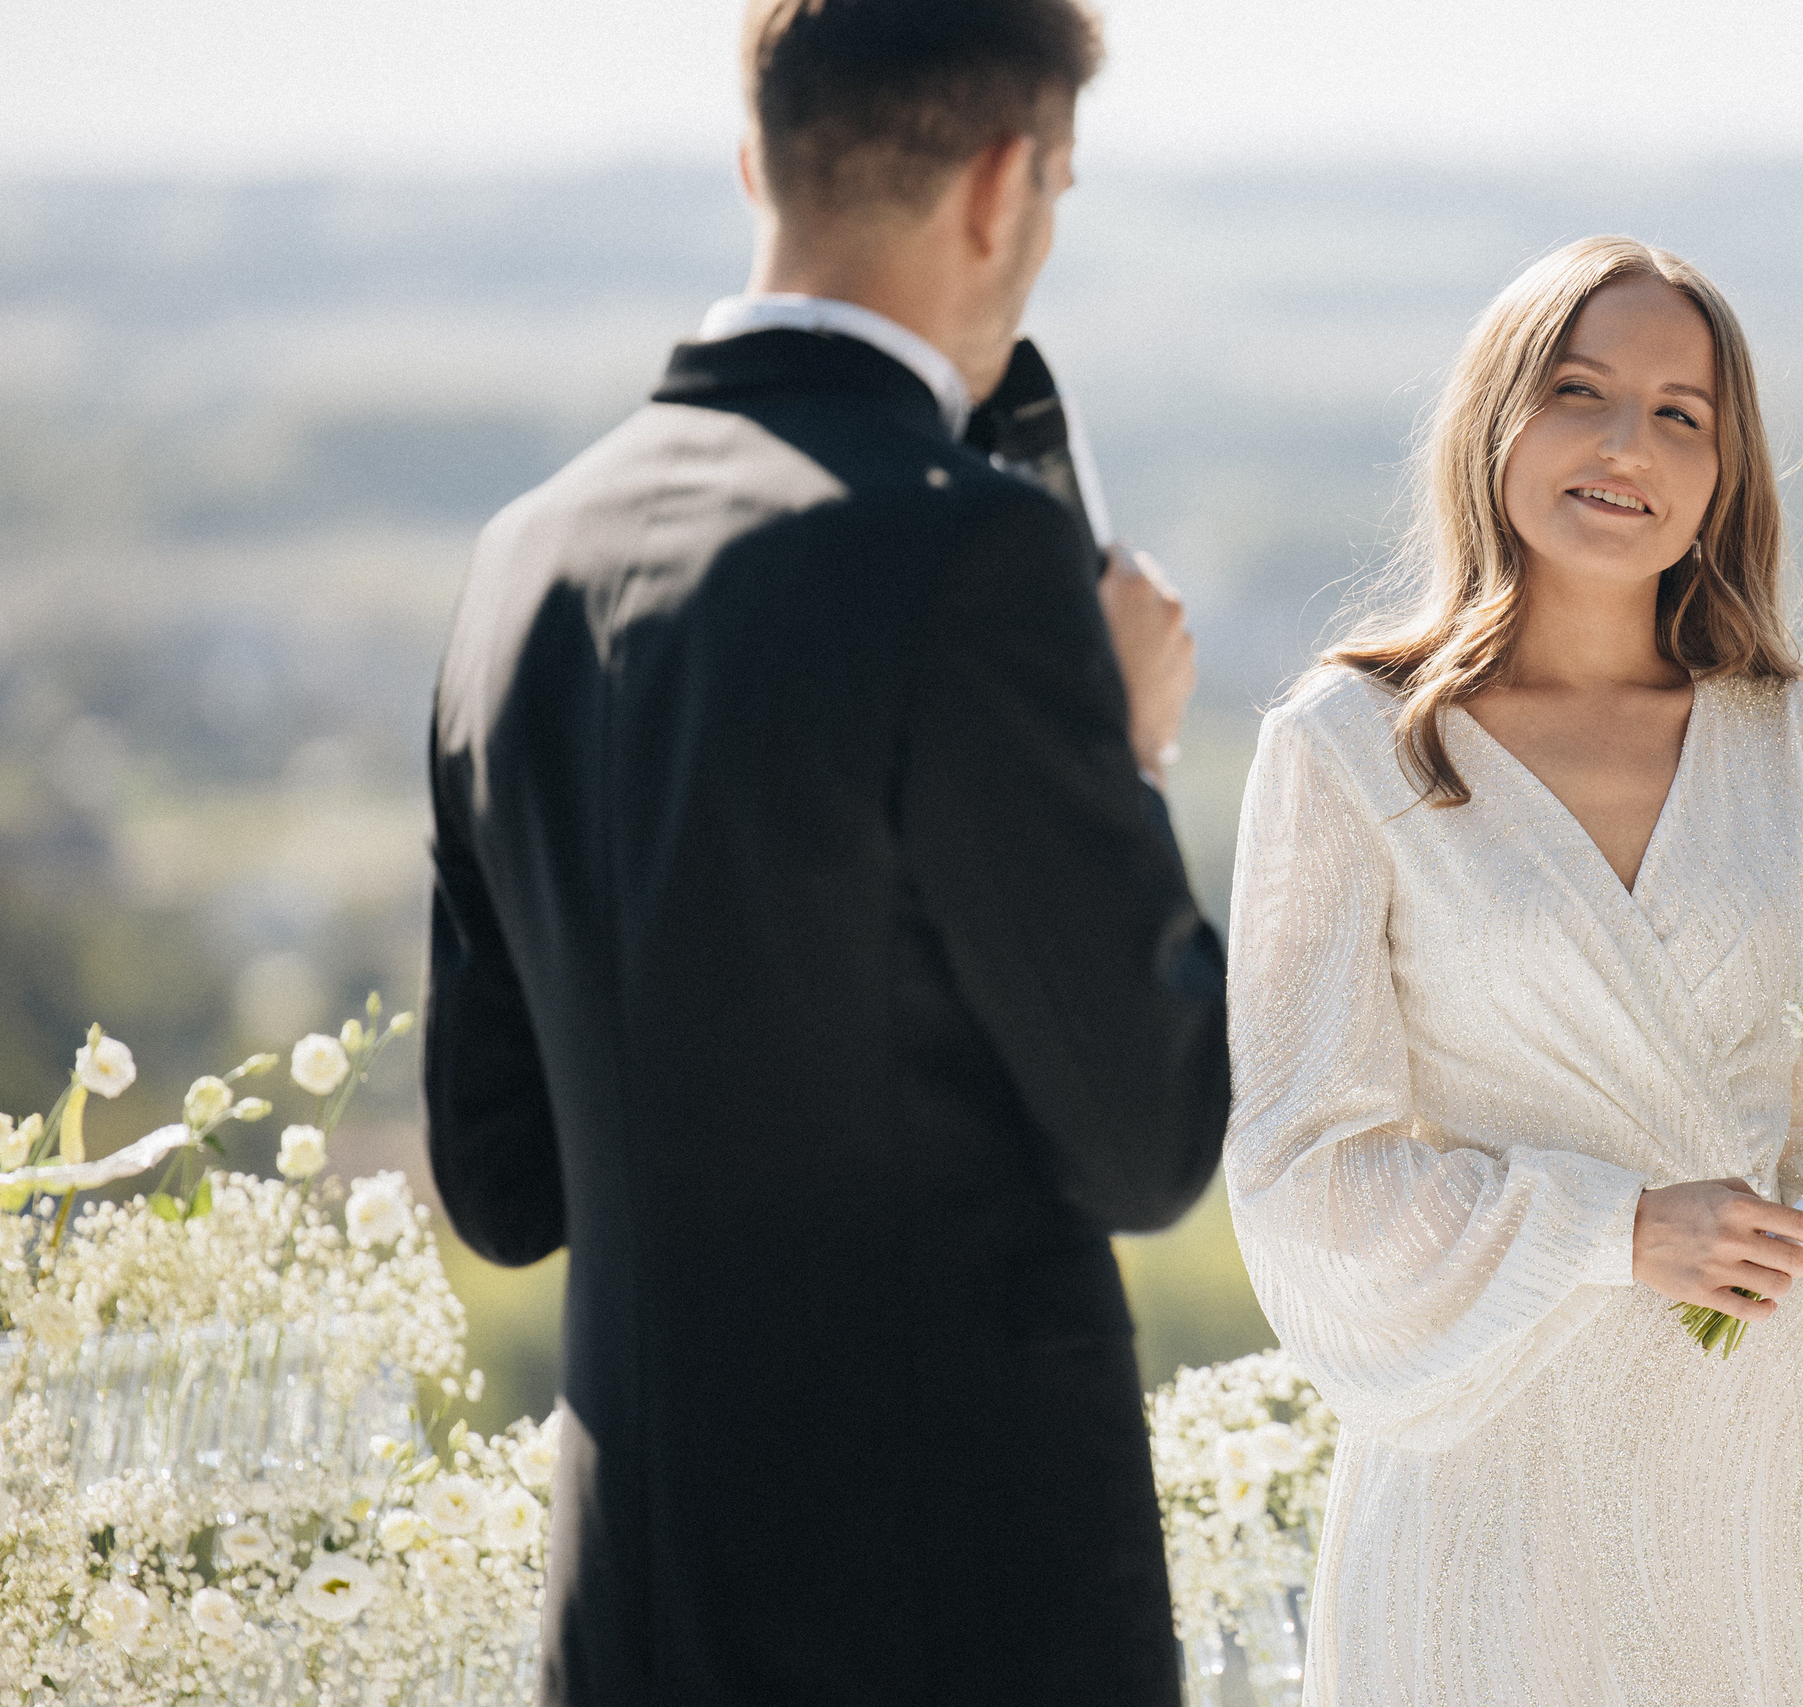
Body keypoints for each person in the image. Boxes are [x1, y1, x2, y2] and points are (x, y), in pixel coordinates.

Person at [422, 3, 1229, 1702]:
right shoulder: (972, 558)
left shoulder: (520, 561)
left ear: (755, 162)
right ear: (1006, 186)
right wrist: (1133, 750)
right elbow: (1151, 1135)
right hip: (956, 1627)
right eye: (1061, 189)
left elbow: (502, 1187)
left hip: (631, 1625)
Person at [1223, 236, 1803, 1705]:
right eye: (1578, 390)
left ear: (1728, 468)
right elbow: (1295, 1172)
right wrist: (1615, 1228)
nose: (1623, 444)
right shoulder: (1343, 750)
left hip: (1759, 1496)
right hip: (1489, 1490)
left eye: (1680, 413)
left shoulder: (1794, 742)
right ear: (1495, 420)